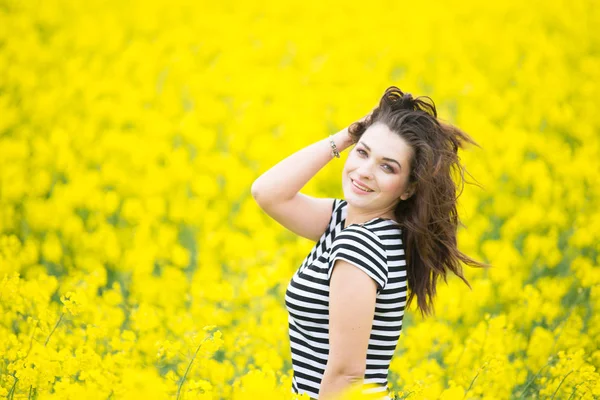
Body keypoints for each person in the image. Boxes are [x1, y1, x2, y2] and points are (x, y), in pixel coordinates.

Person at [251, 86, 490, 399]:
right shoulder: (346, 221)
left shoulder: (360, 245)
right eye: (362, 153)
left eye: (387, 166)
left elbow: (347, 375)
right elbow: (267, 193)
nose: (364, 172)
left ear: (407, 189)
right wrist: (351, 134)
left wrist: (359, 139)